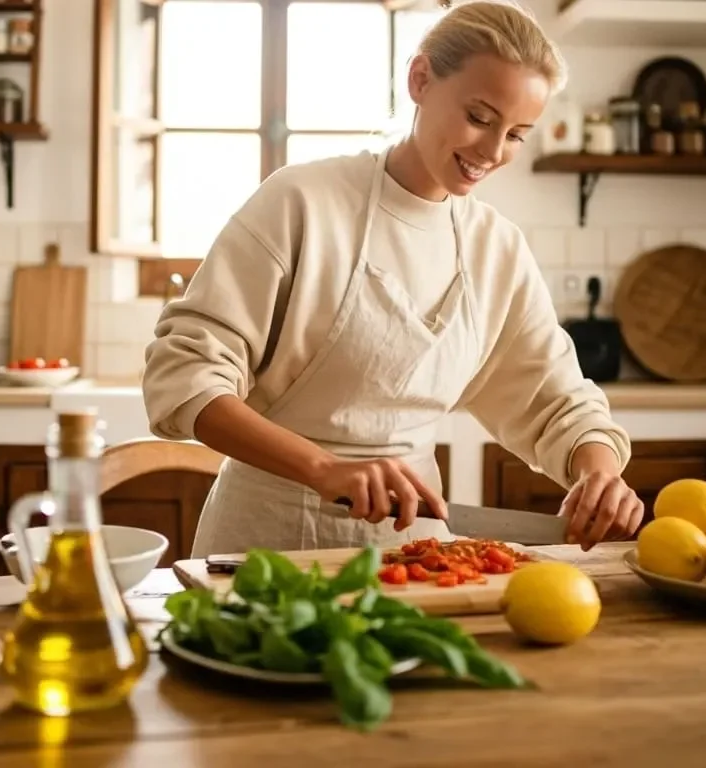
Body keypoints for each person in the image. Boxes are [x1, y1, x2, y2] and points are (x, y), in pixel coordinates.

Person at [142, 0, 643, 558]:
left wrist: (598, 471)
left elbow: (555, 400)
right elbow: (185, 375)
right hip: (267, 548)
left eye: (517, 134)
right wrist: (324, 468)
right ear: (421, 79)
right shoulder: (303, 202)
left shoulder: (495, 248)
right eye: (479, 118)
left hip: (416, 554)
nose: (493, 152)